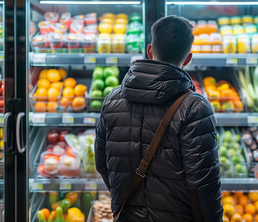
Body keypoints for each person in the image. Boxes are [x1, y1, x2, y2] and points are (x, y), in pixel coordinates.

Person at [95, 15, 223, 222]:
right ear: (188, 59)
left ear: (149, 50)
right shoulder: (195, 108)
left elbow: (102, 163)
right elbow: (203, 184)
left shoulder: (112, 99)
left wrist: (128, 200)